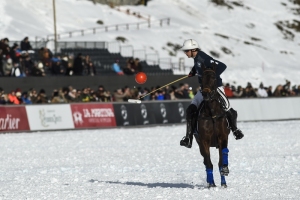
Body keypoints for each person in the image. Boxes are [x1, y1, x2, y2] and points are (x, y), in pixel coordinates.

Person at [179, 39, 244, 148]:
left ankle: (235, 130)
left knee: (228, 108)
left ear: (193, 49)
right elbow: (200, 66)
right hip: (203, 89)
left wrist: (210, 76)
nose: (185, 53)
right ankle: (188, 137)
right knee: (190, 109)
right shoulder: (196, 58)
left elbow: (222, 66)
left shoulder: (204, 57)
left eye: (186, 51)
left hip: (216, 88)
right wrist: (193, 71)